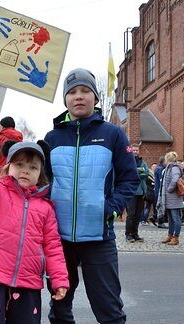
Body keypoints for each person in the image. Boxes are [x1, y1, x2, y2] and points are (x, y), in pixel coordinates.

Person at [44, 68, 139, 324]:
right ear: (65, 99)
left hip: (99, 237)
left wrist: (110, 208)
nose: (78, 96)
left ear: (95, 98)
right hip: (59, 240)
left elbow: (130, 179)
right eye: (72, 92)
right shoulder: (52, 138)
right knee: (60, 308)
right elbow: (41, 183)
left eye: (85, 91)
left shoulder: (113, 134)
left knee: (109, 310)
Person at [0, 130, 68, 323]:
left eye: (33, 167)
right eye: (19, 164)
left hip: (28, 282)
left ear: (40, 174)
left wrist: (59, 279)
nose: (25, 170)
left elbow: (53, 248)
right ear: (7, 167)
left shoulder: (45, 208)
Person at [157, 151, 184, 246]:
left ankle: (176, 238)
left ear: (168, 159)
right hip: (169, 199)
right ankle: (170, 235)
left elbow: (175, 179)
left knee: (175, 218)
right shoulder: (169, 168)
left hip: (174, 198)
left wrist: (169, 189)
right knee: (171, 219)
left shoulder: (174, 168)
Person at [125, 144, 148, 242]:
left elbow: (146, 173)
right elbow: (128, 173)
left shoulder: (143, 162)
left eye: (137, 150)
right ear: (131, 150)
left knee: (138, 214)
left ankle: (135, 233)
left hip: (141, 192)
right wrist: (139, 172)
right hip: (131, 192)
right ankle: (128, 234)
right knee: (131, 214)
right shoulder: (127, 162)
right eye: (133, 150)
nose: (135, 152)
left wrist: (137, 172)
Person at [150, 156, 167, 228]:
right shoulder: (160, 169)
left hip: (157, 189)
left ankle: (154, 217)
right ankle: (160, 221)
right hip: (159, 190)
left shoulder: (158, 169)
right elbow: (161, 180)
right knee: (160, 205)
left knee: (159, 205)